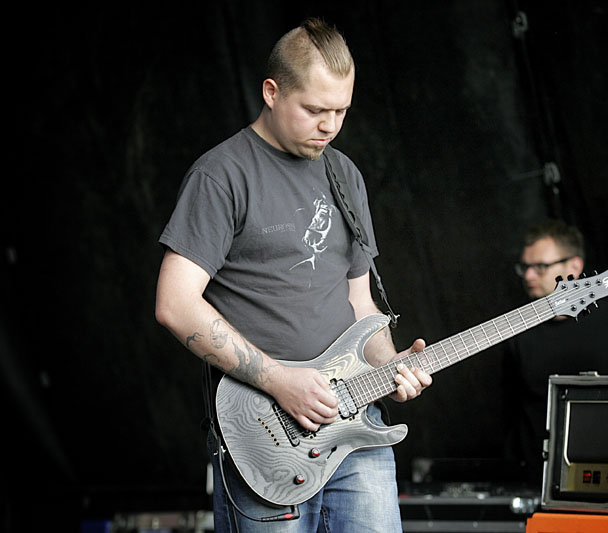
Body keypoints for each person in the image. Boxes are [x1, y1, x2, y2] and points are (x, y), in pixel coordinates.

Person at [155, 18, 432, 532]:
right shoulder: (222, 175)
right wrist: (281, 381)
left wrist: (390, 367)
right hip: (266, 433)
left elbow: (361, 302)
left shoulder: (344, 175)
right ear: (272, 92)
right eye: (314, 110)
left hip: (356, 430)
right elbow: (175, 303)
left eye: (342, 111)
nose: (329, 125)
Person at [503, 219, 608, 489]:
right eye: (524, 267)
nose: (528, 276)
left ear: (574, 266)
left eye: (540, 267)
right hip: (538, 479)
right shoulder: (518, 331)